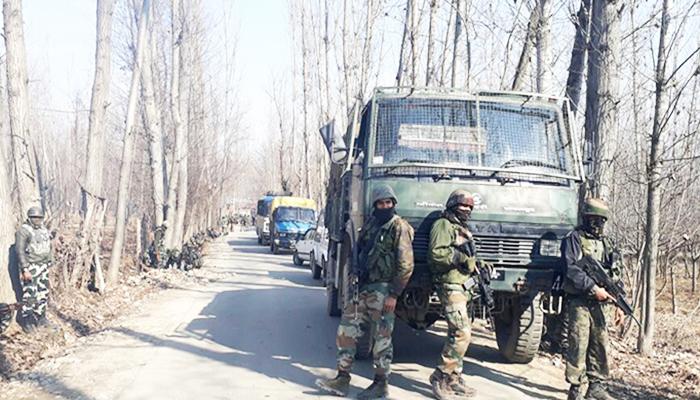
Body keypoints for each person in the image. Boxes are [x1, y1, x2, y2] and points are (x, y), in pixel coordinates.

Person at [316, 185, 414, 399]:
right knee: (346, 331)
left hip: (384, 289)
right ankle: (342, 377)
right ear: (375, 205)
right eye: (381, 203)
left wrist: (394, 295)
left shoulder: (399, 227)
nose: (385, 206)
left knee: (381, 339)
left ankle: (381, 384)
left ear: (393, 204)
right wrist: (353, 275)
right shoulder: (370, 225)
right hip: (363, 288)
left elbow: (406, 265)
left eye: (388, 203)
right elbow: (358, 252)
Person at [562, 198, 623, 400]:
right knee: (578, 344)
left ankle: (595, 386)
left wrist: (619, 304)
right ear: (586, 218)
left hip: (602, 303)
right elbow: (570, 269)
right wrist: (592, 287)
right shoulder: (574, 239)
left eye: (601, 220)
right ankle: (576, 388)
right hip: (579, 301)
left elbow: (615, 275)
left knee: (600, 344)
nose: (597, 224)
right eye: (593, 219)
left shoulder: (607, 243)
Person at [427, 189, 483, 399]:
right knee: (462, 332)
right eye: (462, 206)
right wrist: (459, 258)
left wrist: (478, 264)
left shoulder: (462, 228)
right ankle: (441, 375)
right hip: (449, 284)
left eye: (469, 207)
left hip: (462, 286)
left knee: (456, 332)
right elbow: (436, 254)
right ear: (452, 205)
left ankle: (454, 377)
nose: (466, 210)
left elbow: (469, 256)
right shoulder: (443, 225)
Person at [15, 206, 53, 332]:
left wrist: (49, 262)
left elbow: (47, 245)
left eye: (39, 218)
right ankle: (26, 320)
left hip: (43, 266)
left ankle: (41, 317)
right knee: (30, 294)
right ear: (29, 218)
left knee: (43, 293)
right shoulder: (23, 231)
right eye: (34, 218)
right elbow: (19, 251)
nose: (37, 220)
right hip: (31, 266)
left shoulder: (43, 229)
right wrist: (25, 269)